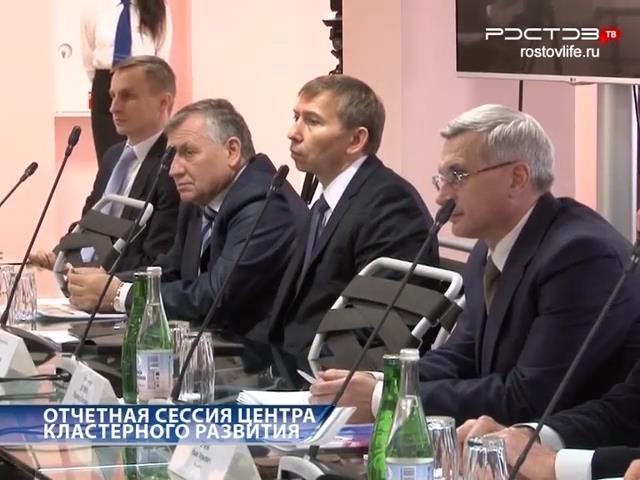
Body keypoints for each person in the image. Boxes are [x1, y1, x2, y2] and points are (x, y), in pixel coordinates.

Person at [310, 104, 640, 425]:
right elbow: (462, 356)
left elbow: (529, 397)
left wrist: (386, 398)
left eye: (458, 176)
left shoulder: (580, 256)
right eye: (441, 179)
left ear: (517, 178)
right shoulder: (487, 248)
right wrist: (380, 380)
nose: (441, 197)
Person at [68, 99, 308, 339]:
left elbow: (216, 296)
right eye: (173, 155)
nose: (174, 170)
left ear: (232, 151)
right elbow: (172, 271)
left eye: (188, 153)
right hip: (211, 345)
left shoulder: (266, 204)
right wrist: (104, 282)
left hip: (256, 353)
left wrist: (120, 294)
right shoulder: (199, 198)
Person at [266, 74, 439, 355]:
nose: (293, 132)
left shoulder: (390, 204)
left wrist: (309, 368)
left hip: (332, 371)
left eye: (312, 121)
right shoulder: (325, 201)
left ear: (356, 140)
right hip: (288, 362)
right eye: (296, 117)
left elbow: (380, 323)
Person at [30, 55, 179, 273]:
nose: (113, 108)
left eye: (127, 96)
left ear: (163, 102)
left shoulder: (174, 164)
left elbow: (156, 257)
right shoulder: (113, 156)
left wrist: (96, 273)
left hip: (127, 287)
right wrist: (60, 255)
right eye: (112, 96)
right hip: (86, 284)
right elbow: (93, 223)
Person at [82, 0, 172, 164]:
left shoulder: (159, 9)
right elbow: (88, 53)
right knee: (108, 159)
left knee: (140, 158)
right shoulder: (94, 6)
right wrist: (108, 85)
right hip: (106, 84)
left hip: (143, 85)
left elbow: (161, 59)